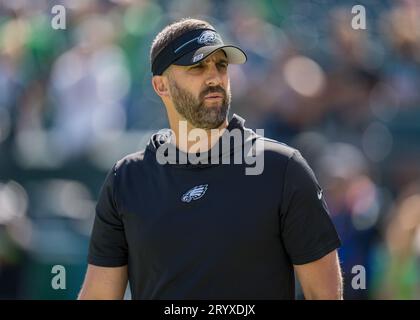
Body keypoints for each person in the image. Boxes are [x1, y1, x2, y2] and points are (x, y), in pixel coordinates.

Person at [78, 18, 343, 300]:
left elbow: (324, 295)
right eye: (197, 67)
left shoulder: (283, 169)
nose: (215, 77)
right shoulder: (126, 180)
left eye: (221, 65)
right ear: (161, 86)